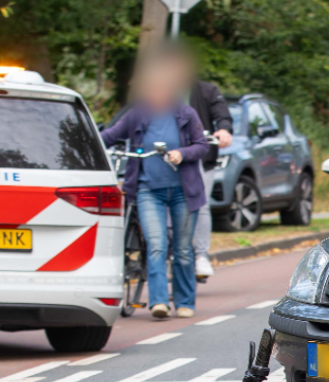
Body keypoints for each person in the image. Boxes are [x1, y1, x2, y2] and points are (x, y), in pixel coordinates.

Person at [99, 49, 213, 319]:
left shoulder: (186, 114)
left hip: (184, 193)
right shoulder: (137, 115)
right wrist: (86, 139)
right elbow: (110, 136)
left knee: (183, 251)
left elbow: (202, 146)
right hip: (149, 190)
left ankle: (186, 302)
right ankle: (159, 302)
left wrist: (182, 153)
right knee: (157, 245)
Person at [187, 63, 236, 285]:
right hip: (167, 160)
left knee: (201, 203)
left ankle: (200, 255)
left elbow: (222, 115)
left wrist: (223, 130)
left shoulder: (206, 91)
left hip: (200, 158)